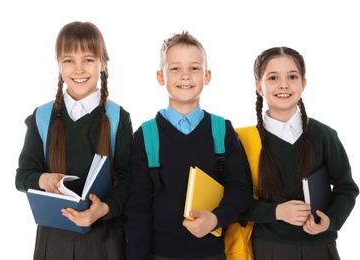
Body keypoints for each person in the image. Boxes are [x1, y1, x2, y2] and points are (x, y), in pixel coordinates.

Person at [124, 31, 250, 260]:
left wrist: (216, 218)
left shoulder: (222, 131)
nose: (185, 76)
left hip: (211, 254)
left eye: (194, 68)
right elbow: (138, 207)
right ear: (161, 77)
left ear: (207, 75)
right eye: (175, 68)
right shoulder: (146, 135)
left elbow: (239, 190)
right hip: (159, 255)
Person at [15, 21, 133, 260]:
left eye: (88, 59)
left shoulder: (118, 117)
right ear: (59, 65)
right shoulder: (42, 116)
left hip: (105, 240)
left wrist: (105, 208)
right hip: (53, 240)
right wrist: (44, 179)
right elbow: (22, 177)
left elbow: (128, 178)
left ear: (103, 63)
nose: (79, 69)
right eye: (69, 60)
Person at [240, 46, 359, 260]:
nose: (283, 84)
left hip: (320, 248)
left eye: (292, 76)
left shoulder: (323, 135)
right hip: (269, 249)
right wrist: (277, 212)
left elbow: (346, 188)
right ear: (259, 87)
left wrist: (330, 220)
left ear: (303, 83)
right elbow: (236, 201)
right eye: (273, 77)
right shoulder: (245, 141)